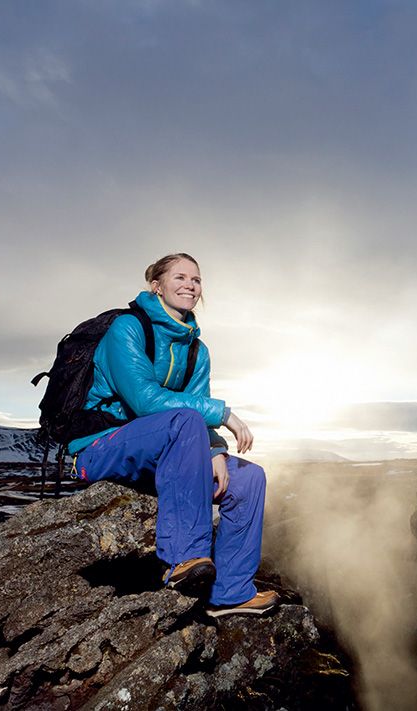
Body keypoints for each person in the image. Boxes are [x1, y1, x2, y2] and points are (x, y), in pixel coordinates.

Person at [67, 252, 278, 617]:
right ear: (157, 286)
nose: (190, 285)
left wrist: (215, 451)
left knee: (250, 479)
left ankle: (230, 593)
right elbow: (145, 400)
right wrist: (224, 414)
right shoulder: (128, 329)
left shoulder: (197, 350)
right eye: (180, 278)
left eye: (196, 280)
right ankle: (184, 559)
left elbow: (197, 409)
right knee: (184, 420)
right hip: (102, 446)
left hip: (162, 449)